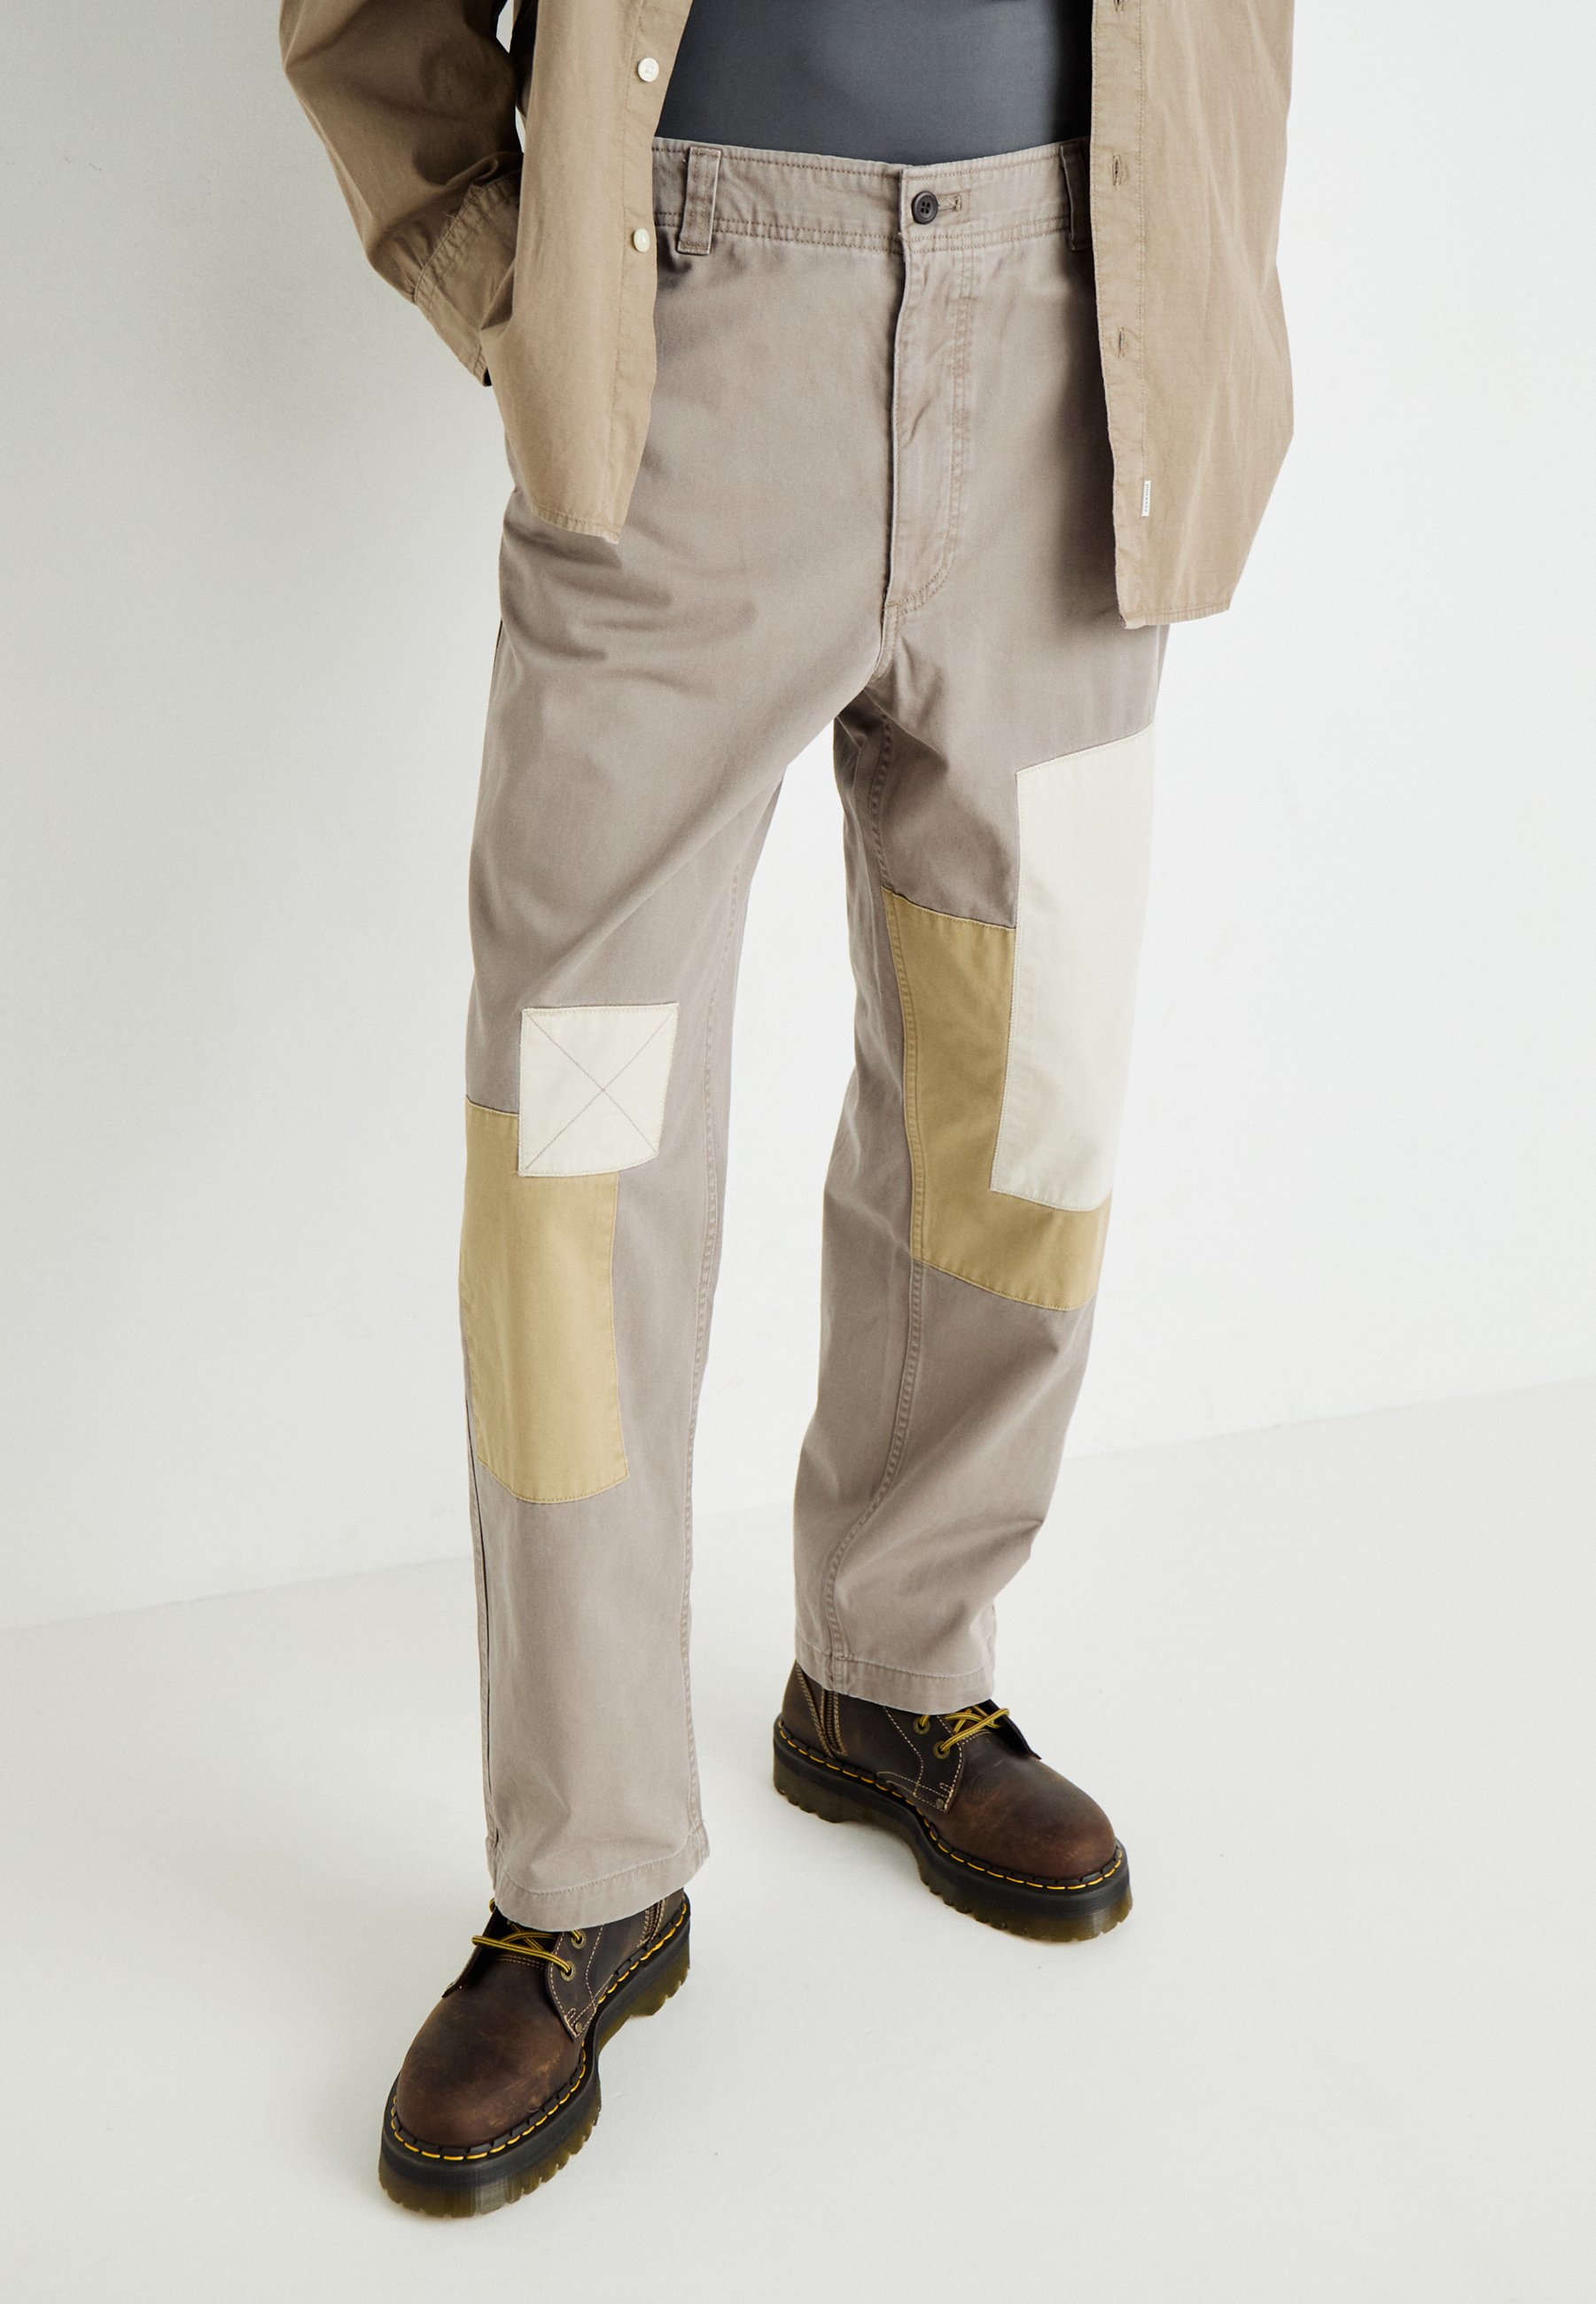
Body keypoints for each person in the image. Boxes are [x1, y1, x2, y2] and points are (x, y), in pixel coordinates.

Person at [279, 0, 1295, 2215]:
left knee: (1025, 1092)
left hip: (1082, 345)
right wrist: (524, 282)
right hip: (691, 331)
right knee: (572, 1154)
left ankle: (896, 1673)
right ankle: (582, 1869)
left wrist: (1201, 263)